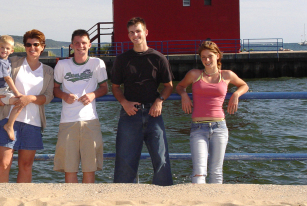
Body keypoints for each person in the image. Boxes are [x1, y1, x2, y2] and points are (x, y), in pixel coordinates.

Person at [111, 17, 173, 186]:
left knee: (161, 160)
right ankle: (124, 199)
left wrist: (159, 101)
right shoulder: (122, 59)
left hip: (154, 114)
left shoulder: (159, 58)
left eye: (138, 31)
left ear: (146, 32)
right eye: (131, 32)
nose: (135, 35)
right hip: (130, 114)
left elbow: (168, 86)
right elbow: (115, 87)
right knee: (125, 162)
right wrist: (125, 103)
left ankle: (165, 197)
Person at [176, 40, 249, 184]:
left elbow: (244, 85)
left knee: (216, 171)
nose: (207, 60)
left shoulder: (227, 75)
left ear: (217, 56)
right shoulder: (195, 74)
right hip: (198, 128)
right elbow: (179, 86)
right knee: (199, 173)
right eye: (203, 57)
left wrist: (235, 95)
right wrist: (184, 95)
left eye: (210, 56)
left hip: (219, 128)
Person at [0, 29, 54, 183]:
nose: (32, 48)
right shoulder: (12, 62)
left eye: (36, 44)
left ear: (42, 47)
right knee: (3, 164)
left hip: (33, 122)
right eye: (28, 44)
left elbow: (49, 96)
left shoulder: (48, 71)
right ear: (24, 46)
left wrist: (30, 98)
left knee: (26, 165)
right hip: (7, 119)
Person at [53, 29, 108, 183]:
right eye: (77, 43)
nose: (80, 46)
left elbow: (105, 88)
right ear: (72, 45)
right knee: (69, 168)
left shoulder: (97, 63)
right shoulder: (62, 65)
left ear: (89, 45)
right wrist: (64, 95)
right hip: (67, 122)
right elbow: (55, 89)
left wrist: (93, 94)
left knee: (89, 168)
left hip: (90, 121)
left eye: (84, 43)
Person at [0, 35, 23, 141]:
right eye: (2, 47)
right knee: (20, 102)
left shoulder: (6, 60)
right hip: (1, 91)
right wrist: (17, 93)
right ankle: (9, 125)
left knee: (19, 102)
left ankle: (10, 124)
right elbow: (8, 79)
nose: (4, 50)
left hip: (4, 89)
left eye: (7, 48)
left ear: (12, 51)